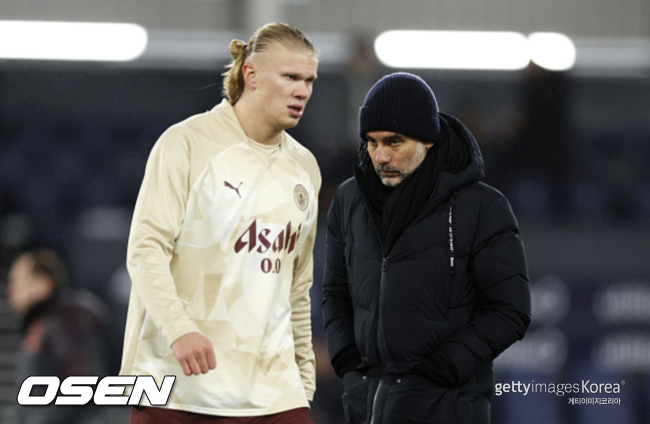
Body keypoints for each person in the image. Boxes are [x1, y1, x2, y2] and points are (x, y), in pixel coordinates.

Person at [120, 22, 321, 423]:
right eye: (291, 77)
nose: (303, 90)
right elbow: (145, 250)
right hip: (177, 390)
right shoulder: (186, 143)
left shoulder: (305, 167)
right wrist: (179, 330)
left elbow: (296, 284)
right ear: (251, 75)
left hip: (274, 395)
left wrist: (304, 375)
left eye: (310, 80)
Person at [322, 72, 531, 424]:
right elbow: (335, 290)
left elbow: (510, 311)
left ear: (428, 140)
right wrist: (347, 361)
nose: (381, 156)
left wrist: (444, 368)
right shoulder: (348, 200)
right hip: (364, 406)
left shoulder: (482, 207)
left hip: (447, 408)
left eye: (394, 142)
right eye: (372, 143)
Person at [6, 248, 109, 424]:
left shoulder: (65, 319)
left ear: (43, 283)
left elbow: (80, 384)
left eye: (18, 282)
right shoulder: (42, 322)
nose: (11, 290)